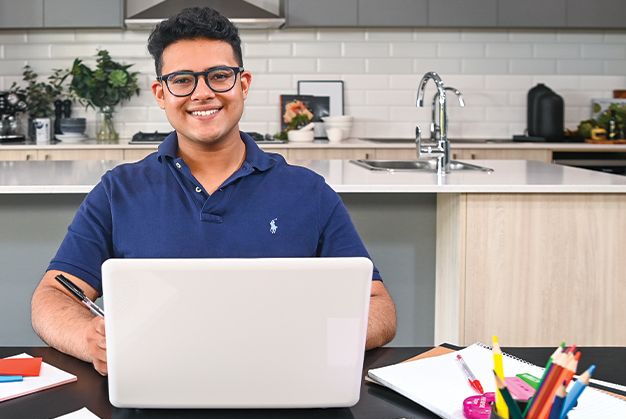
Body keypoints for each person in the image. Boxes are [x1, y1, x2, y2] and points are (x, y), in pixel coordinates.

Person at [31, 7, 396, 375]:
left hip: (284, 385)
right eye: (183, 80)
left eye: (219, 76)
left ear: (244, 84)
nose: (202, 93)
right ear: (161, 93)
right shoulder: (118, 191)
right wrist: (90, 339)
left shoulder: (308, 191)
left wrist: (315, 339)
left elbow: (378, 305)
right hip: (153, 389)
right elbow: (51, 296)